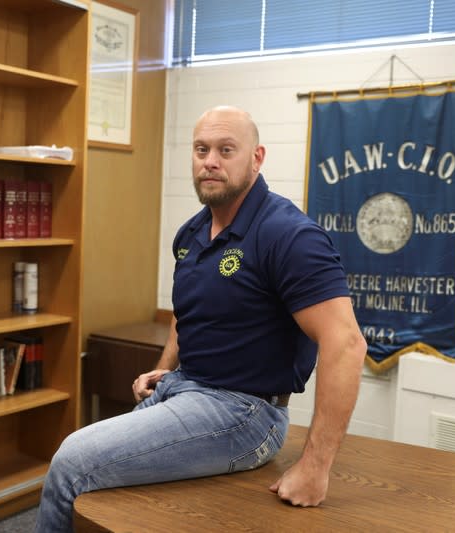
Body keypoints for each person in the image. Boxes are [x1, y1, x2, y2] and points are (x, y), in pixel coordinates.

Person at [35, 105, 366, 532]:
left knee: (72, 461)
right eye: (201, 149)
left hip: (245, 413)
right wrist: (163, 367)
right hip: (185, 389)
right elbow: (186, 312)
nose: (210, 160)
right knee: (105, 494)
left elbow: (346, 344)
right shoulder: (192, 233)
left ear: (257, 158)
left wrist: (315, 468)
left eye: (226, 150)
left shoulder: (290, 235)